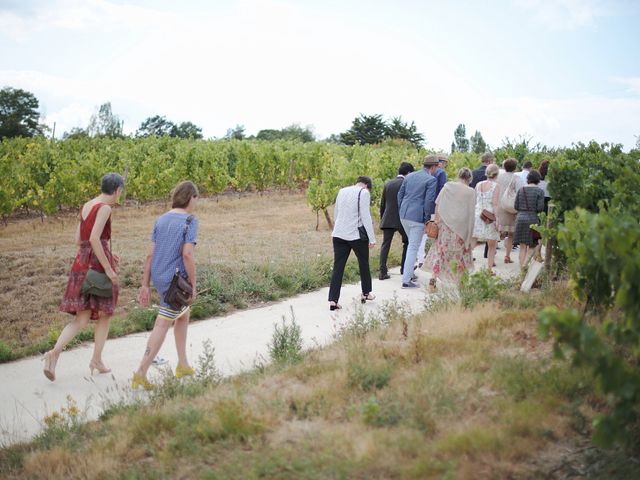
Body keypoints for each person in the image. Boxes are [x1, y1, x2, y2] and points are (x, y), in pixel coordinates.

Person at [43, 172, 124, 381]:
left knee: (81, 319)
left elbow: (79, 239)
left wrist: (107, 250)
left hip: (81, 264)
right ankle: (96, 360)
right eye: (120, 192)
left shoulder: (88, 205)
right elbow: (95, 238)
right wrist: (108, 267)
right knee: (105, 314)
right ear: (117, 190)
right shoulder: (105, 208)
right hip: (96, 266)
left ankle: (54, 354)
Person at [132, 181, 199, 390]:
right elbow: (187, 254)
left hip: (160, 276)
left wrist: (145, 284)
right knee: (163, 323)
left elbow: (150, 254)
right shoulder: (190, 221)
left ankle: (183, 364)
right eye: (196, 199)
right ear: (191, 198)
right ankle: (140, 372)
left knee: (183, 314)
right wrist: (194, 284)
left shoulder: (160, 220)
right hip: (175, 281)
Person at [423, 167, 476, 291]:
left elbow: (438, 204)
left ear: (459, 175)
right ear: (469, 178)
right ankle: (461, 282)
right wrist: (470, 234)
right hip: (461, 228)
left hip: (445, 226)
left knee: (441, 252)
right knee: (460, 254)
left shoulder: (448, 186)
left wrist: (436, 221)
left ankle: (433, 279)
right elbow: (471, 213)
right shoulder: (471, 192)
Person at [328, 176, 376, 310]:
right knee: (363, 263)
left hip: (338, 234)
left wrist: (337, 228)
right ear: (367, 185)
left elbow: (336, 213)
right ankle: (366, 293)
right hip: (356, 235)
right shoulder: (364, 193)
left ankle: (333, 300)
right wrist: (372, 238)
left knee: (338, 267)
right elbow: (365, 216)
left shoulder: (342, 191)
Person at [397, 155, 438, 288]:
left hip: (404, 214)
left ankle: (409, 273)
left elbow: (400, 195)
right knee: (413, 247)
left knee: (411, 245)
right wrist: (427, 219)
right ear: (433, 167)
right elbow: (429, 201)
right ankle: (406, 280)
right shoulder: (431, 180)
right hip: (417, 217)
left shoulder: (409, 176)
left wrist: (401, 209)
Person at [379, 162, 414, 280]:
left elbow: (382, 204)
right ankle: (405, 269)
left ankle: (382, 271)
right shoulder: (408, 183)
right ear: (409, 173)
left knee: (385, 244)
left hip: (388, 218)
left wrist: (382, 218)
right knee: (408, 242)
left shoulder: (388, 183)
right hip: (402, 219)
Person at [416, 154, 448, 269]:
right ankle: (433, 259)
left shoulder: (422, 173)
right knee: (434, 233)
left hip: (422, 205)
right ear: (441, 162)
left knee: (423, 233)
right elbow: (442, 191)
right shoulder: (442, 173)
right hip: (435, 206)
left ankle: (420, 257)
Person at [472, 163, 501, 273]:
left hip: (477, 213)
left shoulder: (479, 184)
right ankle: (489, 269)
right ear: (496, 174)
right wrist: (497, 219)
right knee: (492, 244)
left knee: (472, 242)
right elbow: (495, 204)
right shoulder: (496, 186)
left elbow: (475, 199)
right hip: (489, 216)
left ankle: (463, 265)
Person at [514, 170, 545, 270]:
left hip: (520, 219)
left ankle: (521, 269)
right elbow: (540, 208)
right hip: (533, 219)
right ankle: (525, 266)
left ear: (528, 179)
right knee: (533, 244)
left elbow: (516, 206)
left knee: (522, 246)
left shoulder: (521, 190)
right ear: (538, 179)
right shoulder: (540, 191)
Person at [496, 158, 524, 264]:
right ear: (515, 167)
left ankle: (492, 257)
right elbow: (520, 193)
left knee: (495, 233)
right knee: (511, 234)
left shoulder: (498, 177)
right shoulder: (517, 178)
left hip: (498, 207)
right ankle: (507, 256)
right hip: (510, 209)